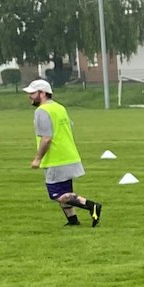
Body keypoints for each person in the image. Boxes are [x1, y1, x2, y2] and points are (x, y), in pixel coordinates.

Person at [25, 79, 100, 228]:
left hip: (56, 158)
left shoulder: (41, 111)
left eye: (32, 93)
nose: (30, 97)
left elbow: (46, 139)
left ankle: (92, 206)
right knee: (66, 192)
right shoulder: (59, 108)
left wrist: (37, 159)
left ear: (43, 93)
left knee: (57, 195)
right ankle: (73, 221)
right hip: (69, 155)